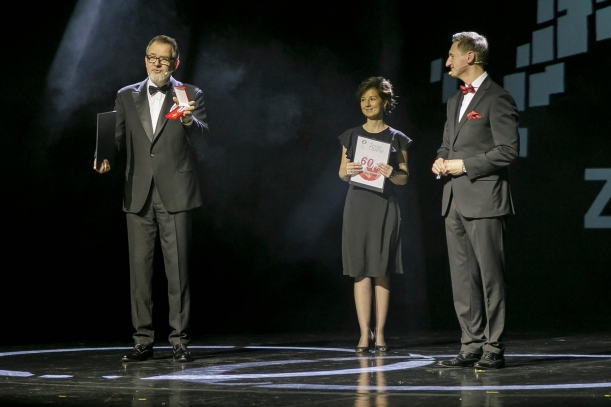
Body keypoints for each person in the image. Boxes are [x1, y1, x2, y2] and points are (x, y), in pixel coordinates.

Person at [94, 34, 209, 363]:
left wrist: (189, 120)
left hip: (177, 192)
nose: (157, 63)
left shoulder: (190, 94)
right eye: (152, 57)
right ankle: (142, 340)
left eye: (164, 58)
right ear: (145, 60)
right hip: (138, 193)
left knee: (178, 271)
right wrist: (104, 156)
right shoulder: (125, 95)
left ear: (175, 62)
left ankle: (179, 340)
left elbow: (204, 137)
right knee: (139, 272)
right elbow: (115, 137)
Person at [432, 31, 519, 369]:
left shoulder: (498, 98)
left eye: (452, 55)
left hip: (484, 199)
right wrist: (441, 160)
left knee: (490, 276)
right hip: (454, 199)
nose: (447, 62)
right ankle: (471, 344)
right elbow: (447, 144)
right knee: (463, 277)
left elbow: (508, 150)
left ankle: (493, 346)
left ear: (470, 57)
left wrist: (465, 165)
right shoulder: (454, 101)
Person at [338, 76, 412, 354]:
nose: (367, 104)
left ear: (385, 102)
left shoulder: (396, 137)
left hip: (384, 207)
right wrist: (349, 171)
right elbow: (342, 173)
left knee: (381, 271)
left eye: (372, 99)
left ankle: (380, 333)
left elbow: (404, 178)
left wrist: (392, 173)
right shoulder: (351, 135)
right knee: (360, 271)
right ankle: (363, 333)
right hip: (357, 205)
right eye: (363, 99)